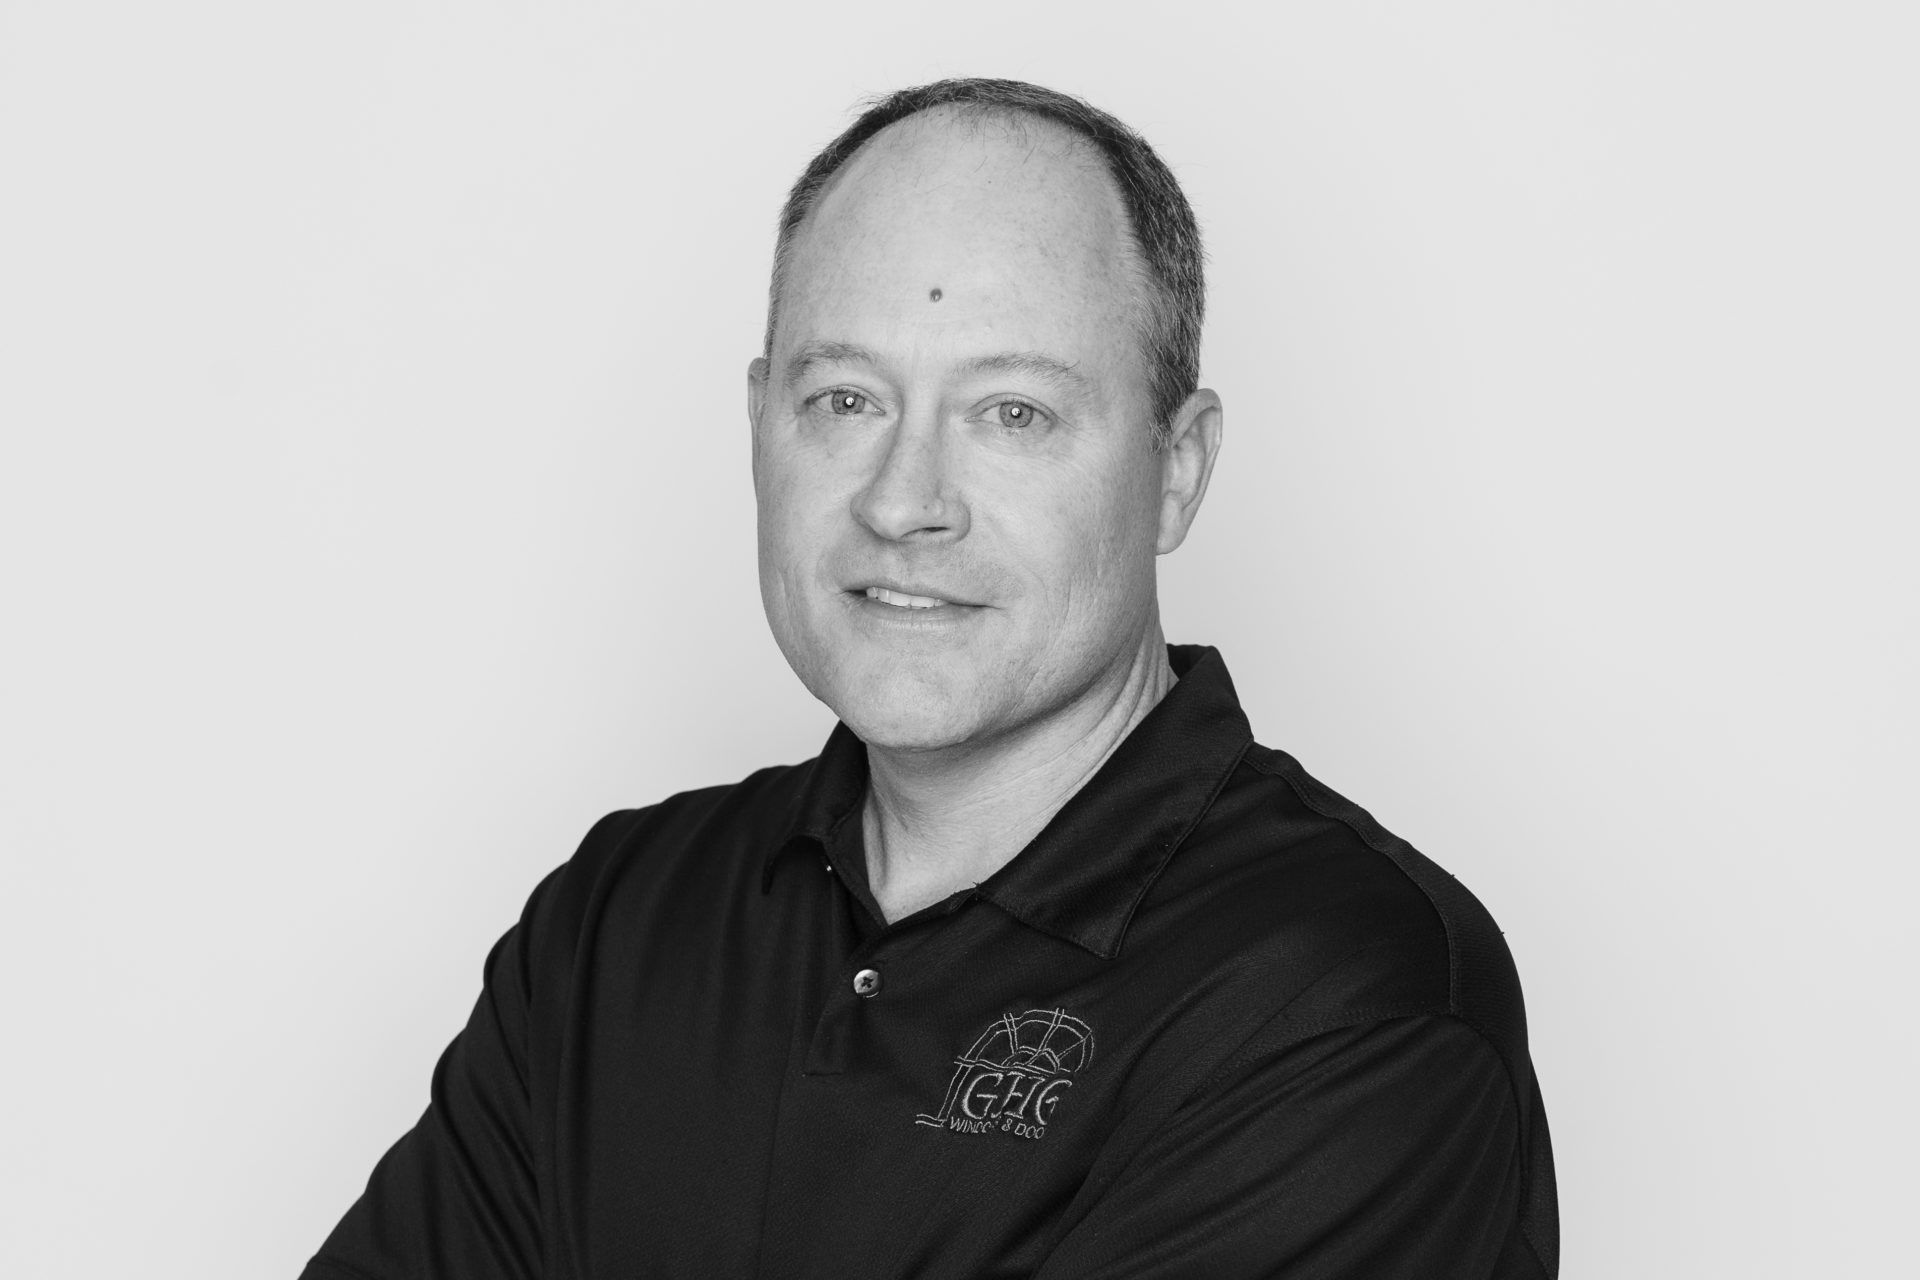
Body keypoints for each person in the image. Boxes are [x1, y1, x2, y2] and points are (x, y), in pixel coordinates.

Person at [300, 78, 1558, 1279]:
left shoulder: (1348, 999)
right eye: (845, 399)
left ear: (1177, 468)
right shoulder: (618, 920)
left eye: (1011, 413)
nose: (905, 501)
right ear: (758, 428)